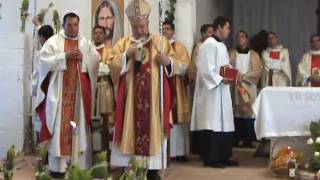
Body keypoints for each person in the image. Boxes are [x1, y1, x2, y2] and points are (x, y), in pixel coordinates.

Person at [108, 0, 177, 179]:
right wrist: (126, 56)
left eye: (143, 26)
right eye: (136, 27)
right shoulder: (123, 44)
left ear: (148, 23)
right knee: (129, 131)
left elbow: (179, 66)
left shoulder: (160, 42)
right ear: (131, 25)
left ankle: (153, 170)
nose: (140, 30)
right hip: (130, 100)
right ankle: (129, 169)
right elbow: (112, 67)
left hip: (154, 101)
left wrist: (168, 63)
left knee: (154, 131)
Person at [35, 12, 100, 178]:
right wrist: (64, 56)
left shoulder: (85, 42)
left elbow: (95, 60)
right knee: (58, 131)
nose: (73, 28)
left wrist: (83, 58)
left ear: (79, 25)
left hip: (78, 95)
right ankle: (58, 168)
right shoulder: (53, 41)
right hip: (59, 94)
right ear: (63, 25)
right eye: (69, 24)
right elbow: (43, 59)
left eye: (75, 24)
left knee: (79, 127)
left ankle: (77, 166)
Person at [190, 16, 238, 168]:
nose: (228, 31)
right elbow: (204, 69)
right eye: (227, 27)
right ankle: (211, 158)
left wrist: (231, 73)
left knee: (223, 124)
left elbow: (225, 66)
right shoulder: (208, 45)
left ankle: (223, 156)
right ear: (219, 27)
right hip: (211, 93)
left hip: (221, 91)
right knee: (213, 124)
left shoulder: (222, 46)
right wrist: (220, 79)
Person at [229, 30, 263, 148]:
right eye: (238, 37)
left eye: (243, 37)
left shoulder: (254, 55)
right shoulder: (232, 53)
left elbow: (258, 70)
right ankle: (236, 138)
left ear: (247, 39)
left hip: (249, 86)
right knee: (236, 112)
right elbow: (228, 68)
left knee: (249, 112)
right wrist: (237, 79)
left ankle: (248, 140)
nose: (240, 39)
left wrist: (242, 77)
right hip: (236, 86)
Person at [163, 20, 190, 162]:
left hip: (177, 86)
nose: (165, 31)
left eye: (167, 29)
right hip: (162, 86)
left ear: (173, 31)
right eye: (163, 29)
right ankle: (164, 153)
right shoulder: (159, 46)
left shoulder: (180, 47)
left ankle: (178, 152)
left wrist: (169, 63)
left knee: (178, 120)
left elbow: (185, 66)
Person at [189, 24, 213, 155]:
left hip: (211, 87)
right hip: (201, 87)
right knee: (201, 117)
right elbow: (194, 66)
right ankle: (199, 147)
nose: (211, 34)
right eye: (209, 32)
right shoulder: (199, 47)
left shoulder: (212, 46)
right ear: (203, 34)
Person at [92, 25, 115, 153]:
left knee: (106, 121)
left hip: (105, 88)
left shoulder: (110, 51)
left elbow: (110, 69)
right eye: (95, 33)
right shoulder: (88, 50)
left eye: (100, 33)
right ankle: (92, 149)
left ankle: (107, 150)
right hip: (91, 88)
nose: (98, 35)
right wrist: (100, 67)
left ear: (104, 35)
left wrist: (97, 68)